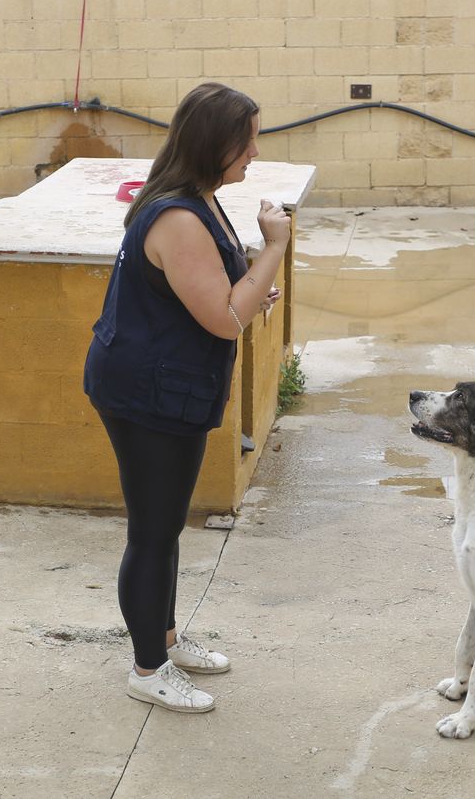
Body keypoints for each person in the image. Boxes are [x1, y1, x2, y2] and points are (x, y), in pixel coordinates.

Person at [83, 82, 290, 713]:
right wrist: (275, 249)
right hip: (147, 394)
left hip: (164, 385)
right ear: (214, 144)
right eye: (247, 141)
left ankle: (164, 636)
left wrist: (251, 281)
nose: (254, 152)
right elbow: (226, 319)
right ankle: (148, 668)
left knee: (166, 525)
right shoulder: (178, 217)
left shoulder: (198, 198)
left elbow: (217, 291)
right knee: (152, 531)